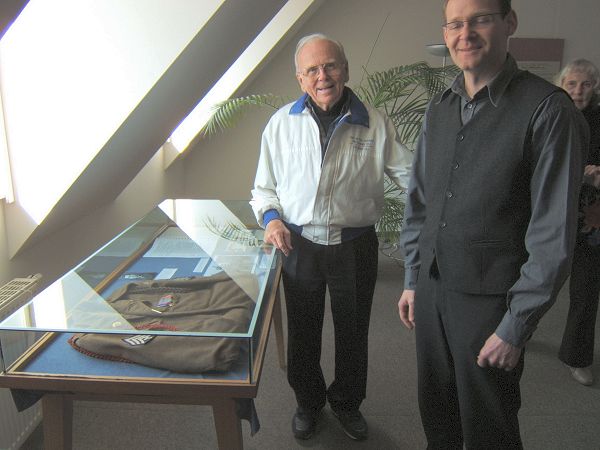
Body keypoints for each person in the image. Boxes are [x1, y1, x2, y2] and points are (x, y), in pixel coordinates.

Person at [397, 0, 589, 448]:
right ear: (446, 34)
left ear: (509, 23)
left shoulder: (548, 110)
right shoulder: (439, 107)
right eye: (455, 24)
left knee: (490, 428)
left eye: (480, 19)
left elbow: (553, 234)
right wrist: (412, 277)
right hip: (432, 289)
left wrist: (516, 326)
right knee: (437, 415)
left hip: (491, 303)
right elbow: (420, 201)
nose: (465, 34)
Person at [250, 33, 412, 441]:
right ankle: (308, 403)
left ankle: (347, 403)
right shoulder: (281, 124)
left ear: (345, 69)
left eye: (330, 66)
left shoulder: (375, 122)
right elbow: (264, 188)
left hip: (355, 245)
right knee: (303, 332)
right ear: (300, 79)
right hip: (298, 245)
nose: (322, 76)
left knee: (353, 333)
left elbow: (413, 178)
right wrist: (272, 220)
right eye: (312, 70)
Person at [556, 58, 600, 386]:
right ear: (561, 85)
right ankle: (516, 332)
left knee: (585, 291)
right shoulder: (551, 115)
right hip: (550, 216)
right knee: (530, 282)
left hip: (591, 221)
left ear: (595, 87)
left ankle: (577, 357)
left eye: (585, 84)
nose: (578, 90)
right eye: (572, 83)